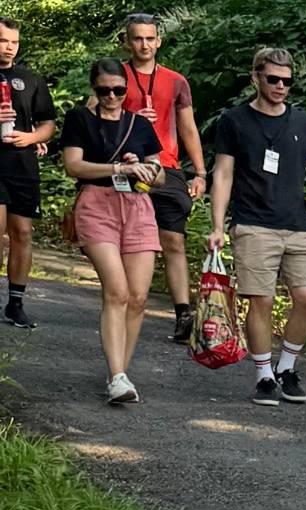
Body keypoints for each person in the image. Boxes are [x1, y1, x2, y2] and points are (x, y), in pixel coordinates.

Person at [207, 47, 306, 407]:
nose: (281, 86)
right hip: (252, 222)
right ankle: (264, 375)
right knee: (261, 300)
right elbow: (223, 173)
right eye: (273, 79)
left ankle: (287, 367)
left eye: (287, 81)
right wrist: (218, 226)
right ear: (256, 78)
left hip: (296, 223)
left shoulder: (301, 121)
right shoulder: (234, 120)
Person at [59, 58, 162, 404]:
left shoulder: (138, 124)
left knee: (138, 297)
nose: (112, 96)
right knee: (116, 290)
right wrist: (117, 166)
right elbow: (74, 166)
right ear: (95, 88)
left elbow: (160, 174)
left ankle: (120, 372)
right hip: (96, 204)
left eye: (118, 90)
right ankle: (117, 376)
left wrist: (142, 168)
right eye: (104, 90)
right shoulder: (79, 119)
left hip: (137, 207)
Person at [117, 13, 206, 345]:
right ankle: (124, 302)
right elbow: (93, 116)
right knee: (128, 240)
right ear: (127, 41)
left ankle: (183, 313)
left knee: (174, 240)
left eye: (149, 38)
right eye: (137, 38)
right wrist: (131, 118)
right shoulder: (115, 76)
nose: (144, 44)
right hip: (124, 166)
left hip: (166, 168)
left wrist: (199, 172)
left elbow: (188, 128)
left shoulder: (176, 81)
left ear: (159, 40)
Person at [0, 19, 59, 329]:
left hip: (22, 165)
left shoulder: (30, 79)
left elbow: (48, 123)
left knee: (22, 232)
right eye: (3, 40)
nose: (9, 47)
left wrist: (31, 138)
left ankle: (16, 304)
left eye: (14, 42)